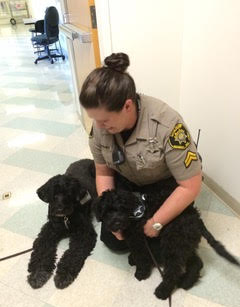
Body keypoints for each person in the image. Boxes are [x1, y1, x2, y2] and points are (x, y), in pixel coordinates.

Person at [79, 52, 202, 251]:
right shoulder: (99, 127)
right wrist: (110, 212)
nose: (99, 127)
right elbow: (103, 172)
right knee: (114, 241)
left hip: (165, 184)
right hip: (128, 179)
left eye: (104, 121)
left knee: (166, 239)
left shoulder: (167, 125)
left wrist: (156, 222)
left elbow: (190, 186)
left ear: (127, 106)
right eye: (95, 119)